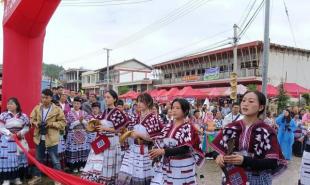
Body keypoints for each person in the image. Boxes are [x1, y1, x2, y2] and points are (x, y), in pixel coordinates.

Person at [211, 91, 287, 185]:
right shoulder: (230, 128)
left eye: (251, 101)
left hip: (258, 180)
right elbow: (216, 150)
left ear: (261, 107)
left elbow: (272, 162)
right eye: (243, 100)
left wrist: (244, 160)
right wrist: (217, 156)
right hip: (232, 177)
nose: (245, 104)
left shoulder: (267, 131)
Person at [149, 98, 204, 185]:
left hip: (182, 166)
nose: (174, 110)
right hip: (168, 165)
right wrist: (156, 153)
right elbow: (160, 142)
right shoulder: (168, 126)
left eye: (177, 108)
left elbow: (185, 148)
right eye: (173, 108)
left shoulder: (188, 127)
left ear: (185, 111)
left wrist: (163, 151)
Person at [82, 90, 129, 184]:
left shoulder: (118, 112)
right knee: (99, 162)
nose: (106, 99)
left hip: (111, 141)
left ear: (114, 99)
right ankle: (99, 180)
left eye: (108, 97)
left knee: (108, 163)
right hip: (102, 140)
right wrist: (95, 127)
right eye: (105, 97)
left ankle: (107, 181)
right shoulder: (104, 112)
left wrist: (105, 128)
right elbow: (101, 125)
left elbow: (120, 130)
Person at [117, 93, 163, 185]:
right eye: (138, 101)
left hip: (146, 152)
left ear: (149, 103)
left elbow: (156, 138)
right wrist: (126, 132)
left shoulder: (154, 118)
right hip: (133, 150)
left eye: (141, 101)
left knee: (142, 175)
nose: (138, 104)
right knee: (127, 172)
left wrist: (139, 134)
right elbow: (129, 129)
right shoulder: (136, 117)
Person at [28, 89, 66, 185]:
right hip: (39, 136)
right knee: (38, 158)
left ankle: (58, 178)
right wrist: (35, 123)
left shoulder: (57, 109)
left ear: (51, 98)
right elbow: (31, 118)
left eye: (46, 97)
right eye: (42, 97)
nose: (44, 99)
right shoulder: (37, 108)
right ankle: (37, 177)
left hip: (52, 138)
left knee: (55, 160)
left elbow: (63, 123)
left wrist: (51, 124)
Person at [0, 98, 30, 185]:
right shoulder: (3, 115)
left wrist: (20, 133)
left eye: (11, 103)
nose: (9, 105)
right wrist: (10, 133)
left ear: (16, 105)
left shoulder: (23, 116)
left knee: (18, 159)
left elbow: (26, 127)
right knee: (7, 159)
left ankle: (16, 178)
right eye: (8, 104)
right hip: (7, 140)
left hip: (19, 140)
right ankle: (6, 179)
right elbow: (1, 127)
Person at [65, 97, 91, 173]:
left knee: (82, 150)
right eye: (75, 103)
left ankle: (82, 165)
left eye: (78, 103)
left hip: (83, 133)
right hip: (73, 134)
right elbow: (68, 125)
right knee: (74, 150)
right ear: (72, 104)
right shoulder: (69, 113)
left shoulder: (84, 113)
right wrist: (78, 121)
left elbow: (88, 124)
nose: (76, 105)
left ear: (80, 104)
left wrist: (83, 121)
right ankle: (74, 166)